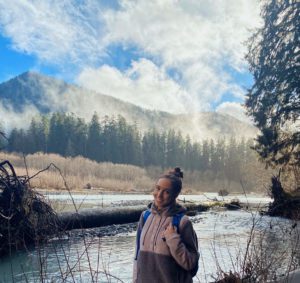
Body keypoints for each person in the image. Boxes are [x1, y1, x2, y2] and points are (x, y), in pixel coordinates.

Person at [133, 167, 199, 283]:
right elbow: (137, 256)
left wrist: (173, 239)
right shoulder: (145, 216)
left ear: (175, 195)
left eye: (166, 192)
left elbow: (191, 265)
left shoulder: (182, 222)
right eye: (157, 189)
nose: (159, 195)